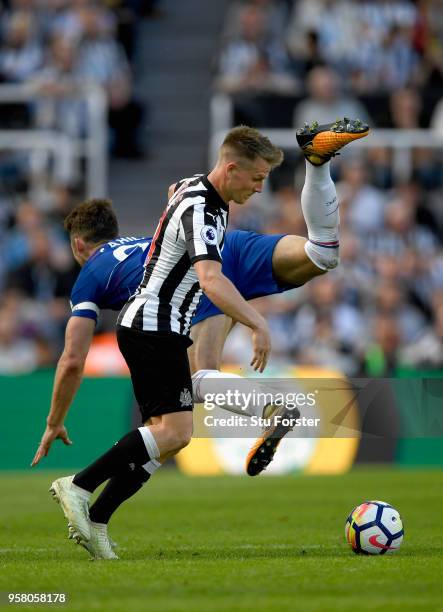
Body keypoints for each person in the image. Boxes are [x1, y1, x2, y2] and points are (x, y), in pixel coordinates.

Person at [34, 119, 369, 559]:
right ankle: (77, 486)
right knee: (174, 431)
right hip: (155, 322)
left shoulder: (203, 197)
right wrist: (257, 322)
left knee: (168, 431)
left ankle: (97, 520)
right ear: (230, 169)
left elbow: (184, 209)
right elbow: (210, 279)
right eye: (255, 178)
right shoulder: (200, 205)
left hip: (167, 322)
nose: (259, 189)